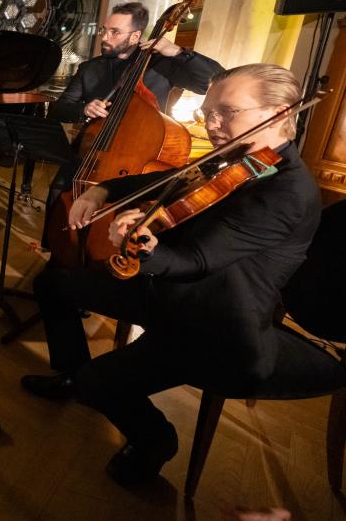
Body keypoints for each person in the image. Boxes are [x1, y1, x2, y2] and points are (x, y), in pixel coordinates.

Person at [20, 64, 321, 487]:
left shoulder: (286, 192)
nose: (213, 124)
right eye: (208, 112)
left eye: (227, 112)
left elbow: (194, 260)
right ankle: (71, 372)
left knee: (98, 383)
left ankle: (155, 440)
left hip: (214, 323)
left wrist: (143, 246)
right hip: (167, 293)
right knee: (53, 284)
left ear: (280, 112)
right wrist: (103, 190)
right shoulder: (234, 158)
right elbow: (169, 179)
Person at [45, 2, 223, 214]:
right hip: (92, 154)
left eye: (115, 32)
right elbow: (59, 109)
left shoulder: (162, 66)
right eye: (104, 30)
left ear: (135, 36)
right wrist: (84, 110)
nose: (105, 37)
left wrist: (176, 52)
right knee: (57, 195)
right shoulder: (90, 68)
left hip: (136, 162)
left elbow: (215, 81)